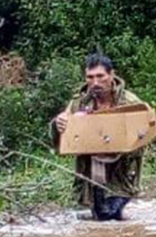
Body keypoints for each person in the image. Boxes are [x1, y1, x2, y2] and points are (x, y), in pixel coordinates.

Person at [52, 53, 144, 221]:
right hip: (91, 171)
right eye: (90, 77)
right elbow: (62, 135)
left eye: (100, 76)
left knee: (111, 215)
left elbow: (145, 134)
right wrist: (59, 124)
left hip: (122, 171)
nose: (95, 82)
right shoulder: (79, 103)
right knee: (101, 216)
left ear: (111, 75)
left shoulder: (130, 103)